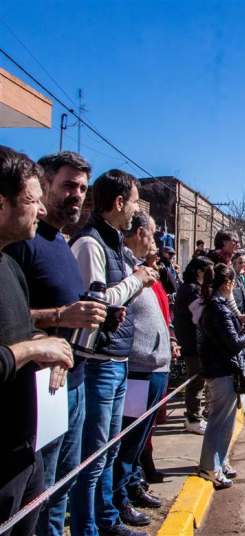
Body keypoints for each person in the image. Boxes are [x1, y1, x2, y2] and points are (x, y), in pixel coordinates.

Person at [4, 151, 109, 536]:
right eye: (68, 185)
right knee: (37, 498)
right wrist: (60, 318)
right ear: (43, 183)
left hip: (72, 379)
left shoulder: (61, 241)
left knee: (62, 485)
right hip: (35, 391)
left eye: (82, 188)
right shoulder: (20, 242)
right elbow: (13, 317)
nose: (76, 195)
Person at [70, 169, 158, 536]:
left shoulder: (113, 246)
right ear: (119, 203)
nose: (136, 209)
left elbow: (116, 299)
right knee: (92, 457)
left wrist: (134, 284)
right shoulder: (90, 244)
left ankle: (106, 518)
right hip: (97, 365)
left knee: (108, 450)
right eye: (135, 200)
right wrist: (135, 281)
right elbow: (96, 302)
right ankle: (89, 526)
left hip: (117, 362)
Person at [0, 146, 75, 536]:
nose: (42, 210)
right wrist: (34, 347)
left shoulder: (9, 266)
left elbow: (14, 330)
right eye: (31, 200)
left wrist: (47, 348)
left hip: (26, 452)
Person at [112, 213, 175, 527]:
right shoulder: (125, 270)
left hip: (156, 367)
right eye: (152, 235)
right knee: (129, 437)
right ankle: (119, 498)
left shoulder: (143, 270)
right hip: (138, 370)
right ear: (138, 233)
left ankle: (134, 484)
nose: (156, 242)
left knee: (141, 436)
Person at [196, 264, 245, 489]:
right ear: (228, 284)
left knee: (225, 422)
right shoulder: (218, 309)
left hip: (222, 370)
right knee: (219, 422)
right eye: (233, 283)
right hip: (221, 371)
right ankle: (211, 467)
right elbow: (234, 344)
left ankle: (220, 462)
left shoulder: (216, 307)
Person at [174, 256, 214, 434]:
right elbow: (201, 313)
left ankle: (195, 415)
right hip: (192, 342)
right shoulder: (191, 290)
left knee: (199, 380)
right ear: (199, 272)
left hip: (195, 341)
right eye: (209, 271)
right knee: (196, 382)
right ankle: (193, 418)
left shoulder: (194, 288)